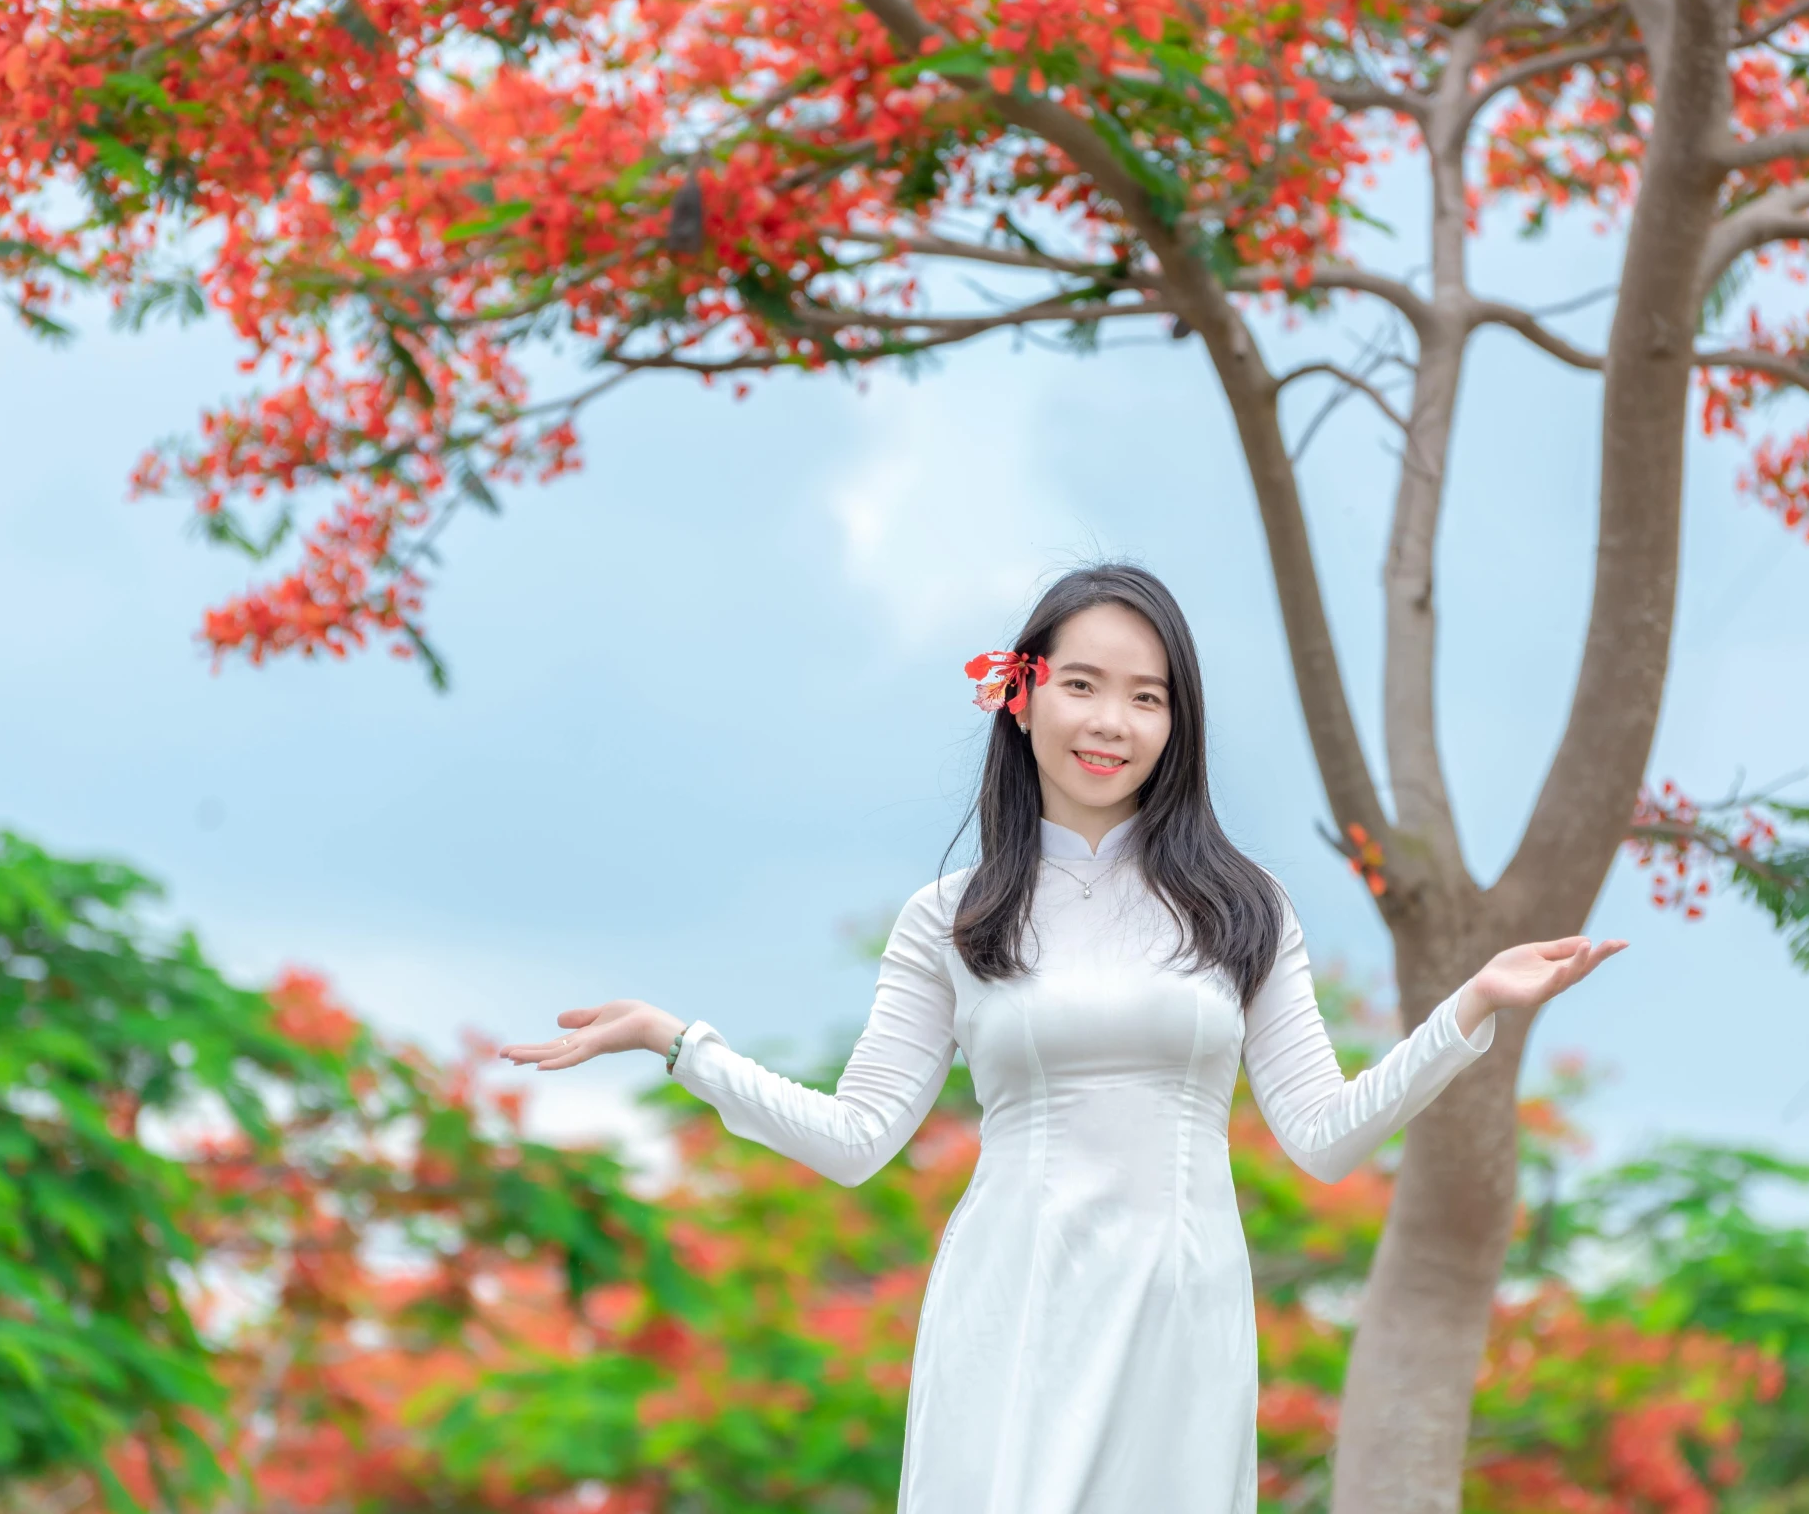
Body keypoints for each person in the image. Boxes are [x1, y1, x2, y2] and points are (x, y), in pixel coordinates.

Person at [502, 563, 1624, 1514]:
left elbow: (1325, 1136)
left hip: (1181, 1312)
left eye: (1148, 696)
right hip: (1014, 1307)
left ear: (1177, 723)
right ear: (1022, 696)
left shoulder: (1244, 906)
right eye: (1083, 685)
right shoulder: (952, 914)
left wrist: (1470, 1004)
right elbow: (854, 1138)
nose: (1112, 722)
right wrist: (675, 1039)